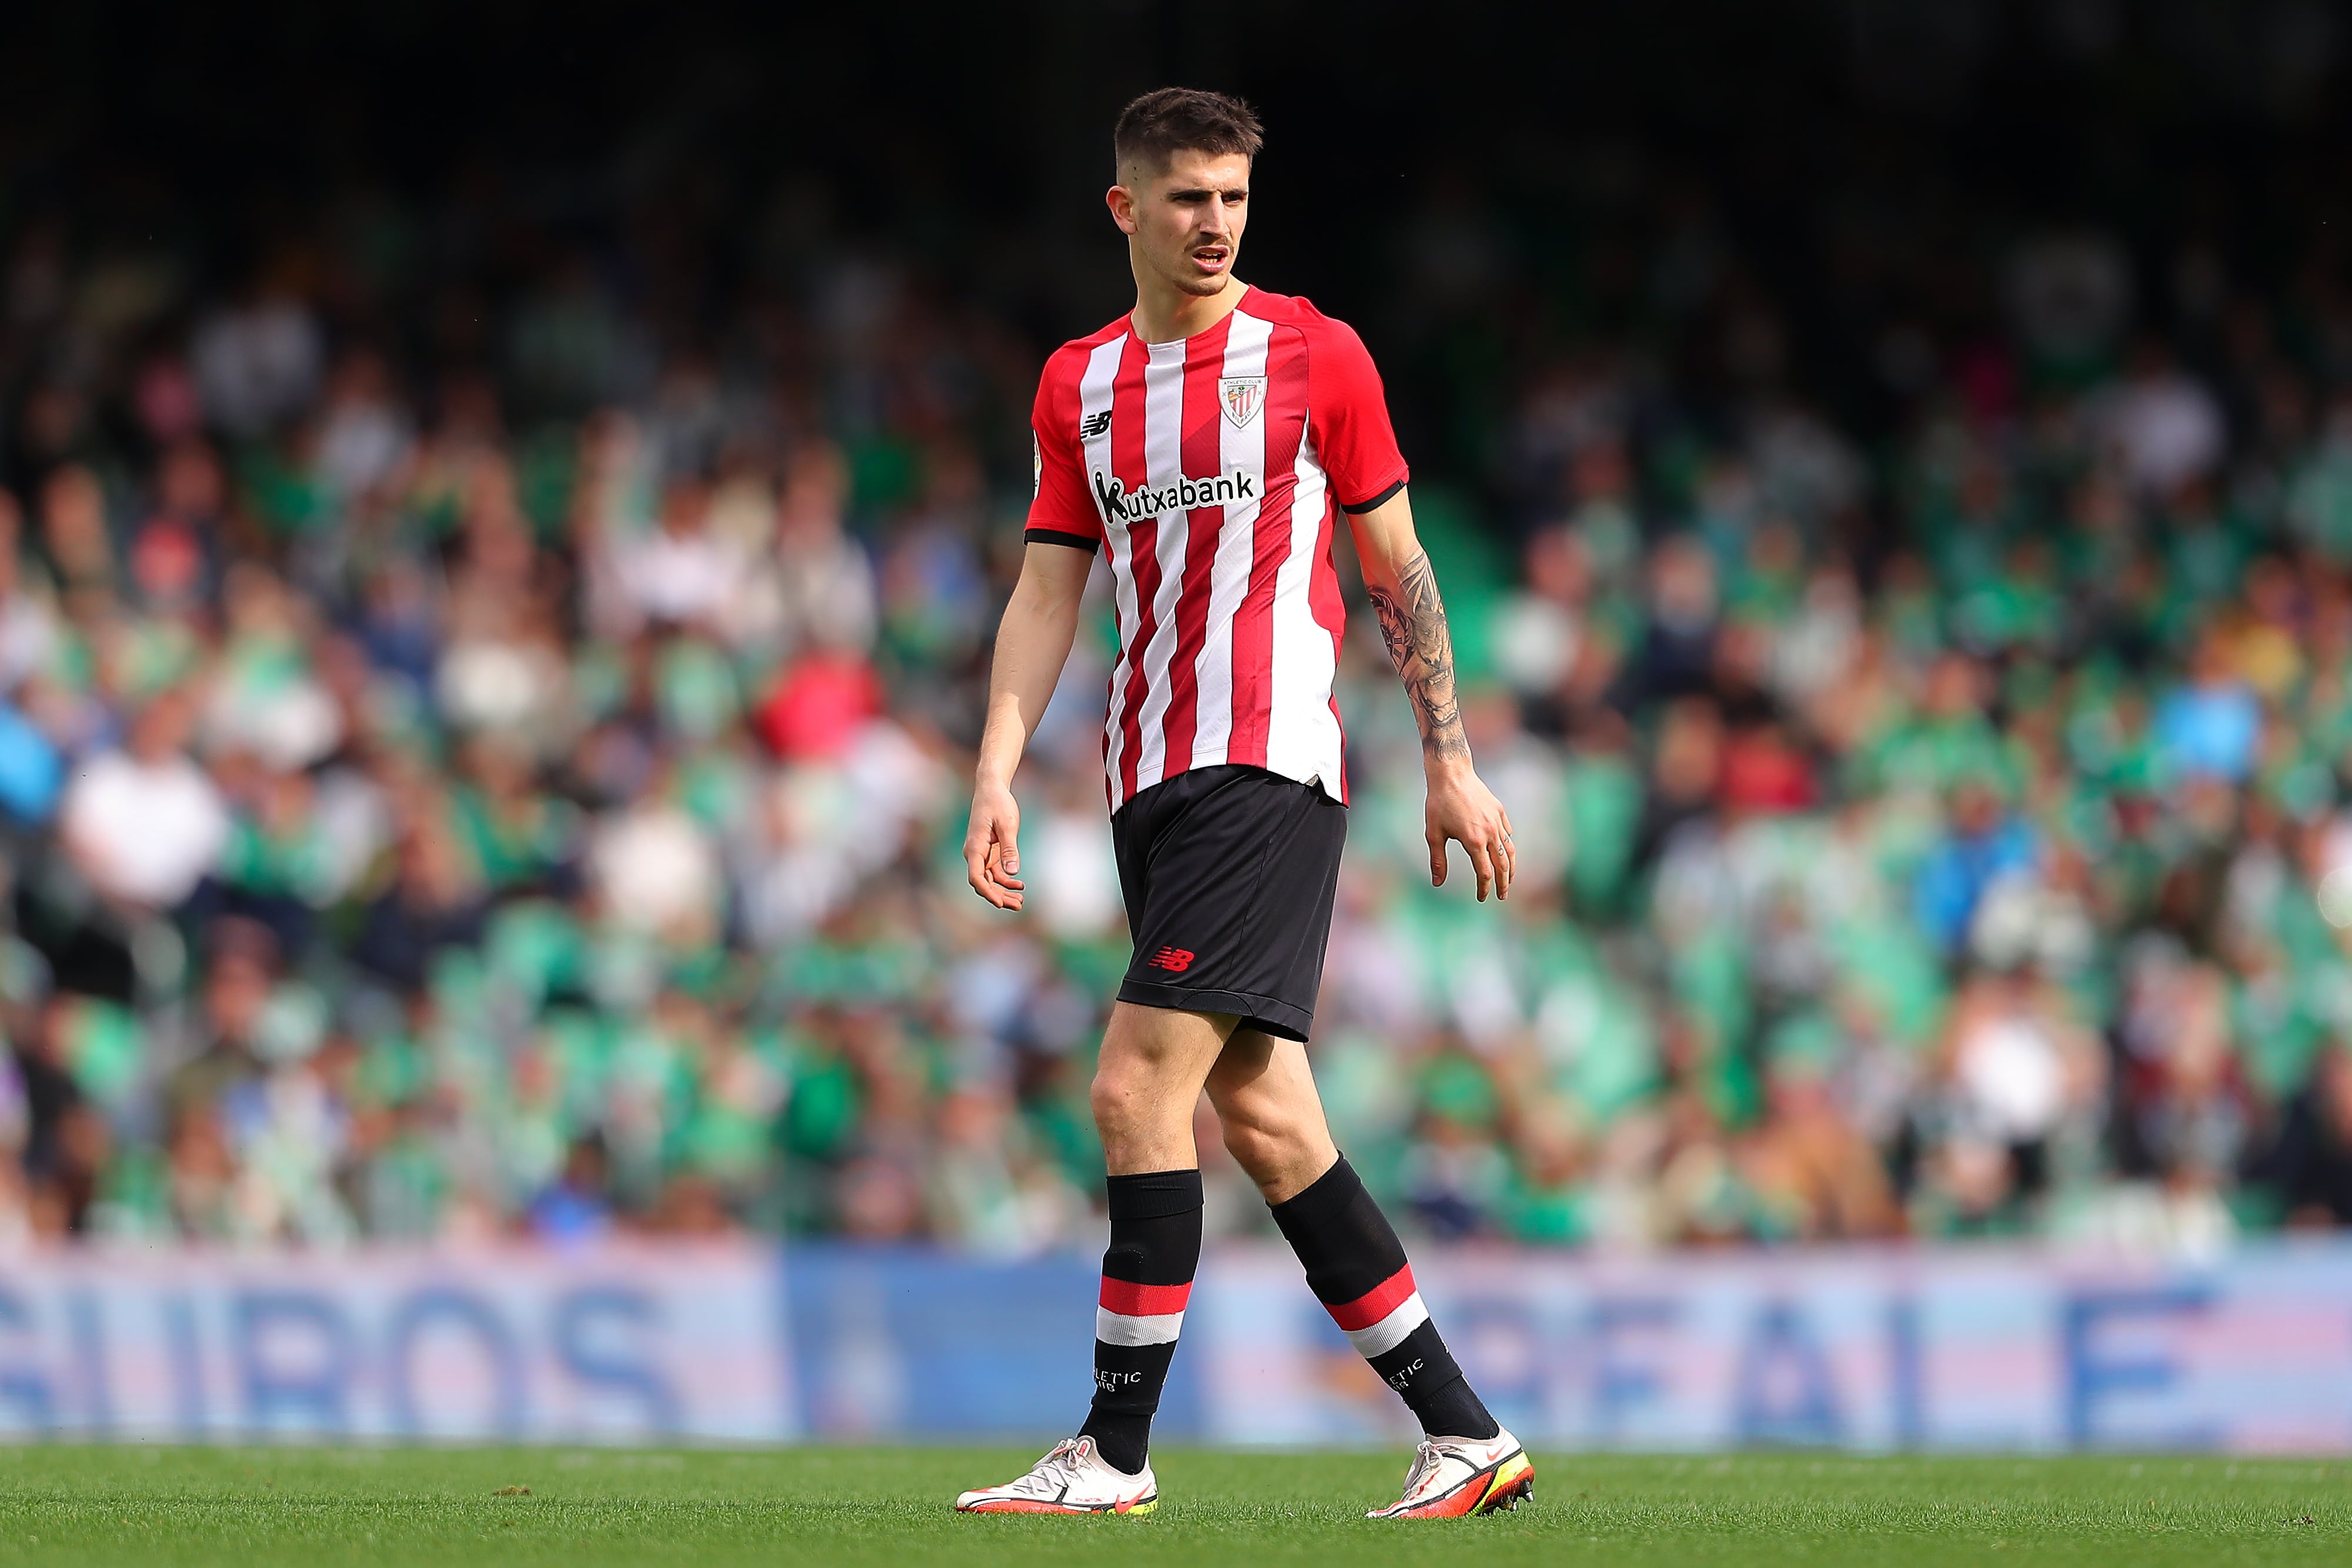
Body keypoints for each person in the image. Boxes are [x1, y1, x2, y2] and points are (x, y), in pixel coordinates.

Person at [953, 88, 1529, 1522]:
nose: (1214, 224)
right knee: (1267, 1118)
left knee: (1131, 1085)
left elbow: (1395, 565)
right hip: (1145, 777)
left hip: (1263, 760)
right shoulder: (1075, 383)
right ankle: (1462, 1432)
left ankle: (1113, 1450)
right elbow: (1045, 588)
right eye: (1188, 197)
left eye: (1233, 198)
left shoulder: (1313, 353)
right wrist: (992, 766)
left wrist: (1448, 755)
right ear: (1124, 210)